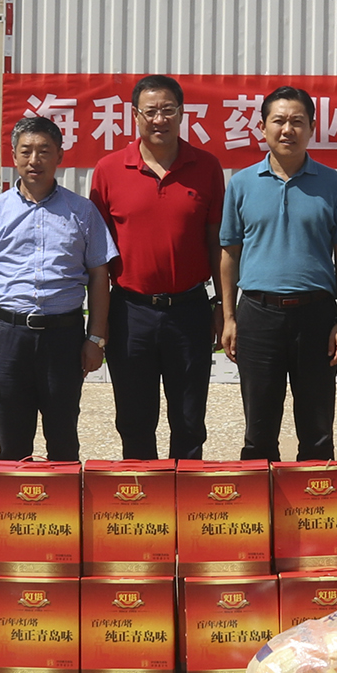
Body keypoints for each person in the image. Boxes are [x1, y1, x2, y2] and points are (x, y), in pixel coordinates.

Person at [89, 75, 224, 460]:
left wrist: (222, 308)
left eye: (168, 110)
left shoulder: (206, 167)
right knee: (134, 420)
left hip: (190, 310)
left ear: (181, 113)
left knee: (189, 420)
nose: (159, 119)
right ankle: (142, 494)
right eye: (151, 112)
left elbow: (217, 245)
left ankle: (187, 493)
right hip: (131, 312)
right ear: (135, 115)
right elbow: (96, 257)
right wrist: (98, 324)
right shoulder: (109, 170)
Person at [0, 116, 114, 462]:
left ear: (59, 155)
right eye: (26, 151)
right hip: (10, 337)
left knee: (63, 440)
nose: (35, 160)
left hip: (64, 337)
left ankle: (63, 498)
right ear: (14, 156)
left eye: (44, 151)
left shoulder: (82, 211)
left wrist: (95, 339)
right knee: (12, 442)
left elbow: (99, 276)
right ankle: (14, 498)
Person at [220, 87, 337, 460]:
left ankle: (314, 497)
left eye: (297, 121)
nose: (287, 129)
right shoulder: (242, 184)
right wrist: (229, 317)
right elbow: (229, 254)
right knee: (259, 429)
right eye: (278, 120)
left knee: (317, 430)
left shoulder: (333, 184)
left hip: (316, 317)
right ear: (262, 127)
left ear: (311, 128)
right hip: (258, 314)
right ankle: (260, 496)